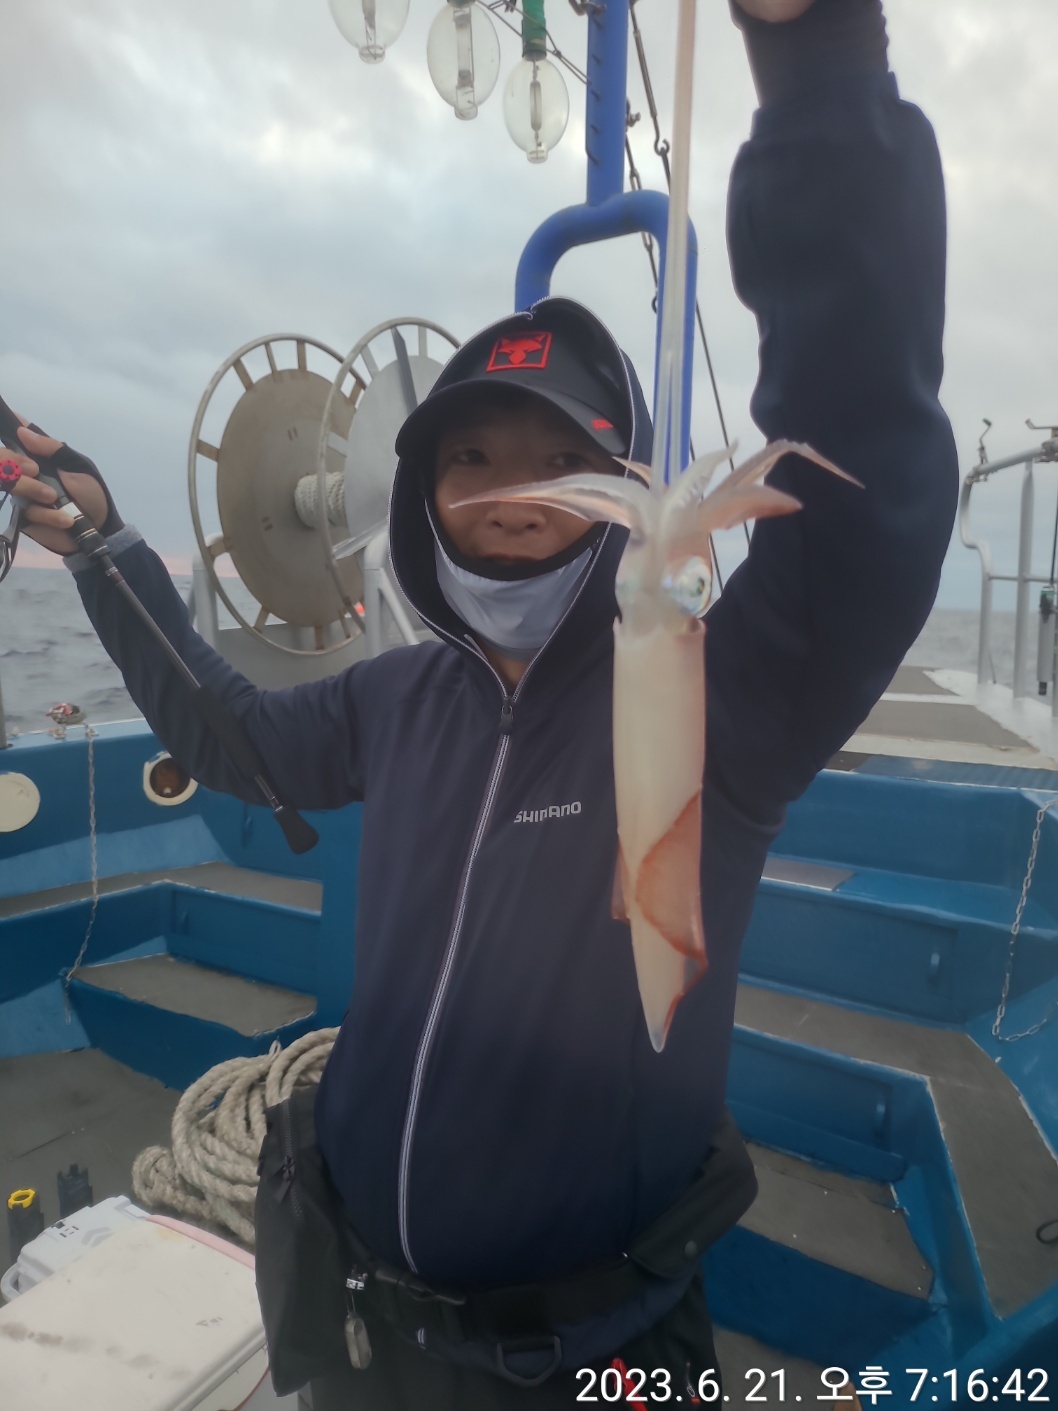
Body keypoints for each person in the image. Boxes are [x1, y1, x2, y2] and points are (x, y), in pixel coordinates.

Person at [7, 0, 958, 1403]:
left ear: (619, 486)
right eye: (471, 459)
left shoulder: (722, 692)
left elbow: (866, 484)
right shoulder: (396, 696)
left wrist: (813, 60)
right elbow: (233, 737)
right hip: (360, 1327)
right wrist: (107, 549)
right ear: (422, 498)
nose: (512, 494)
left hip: (586, 1355)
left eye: (556, 458)